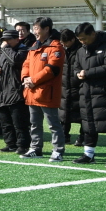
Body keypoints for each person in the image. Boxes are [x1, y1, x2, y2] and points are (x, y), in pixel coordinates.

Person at [72, 22, 106, 166]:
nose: (82, 42)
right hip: (86, 93)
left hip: (105, 93)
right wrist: (78, 75)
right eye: (80, 40)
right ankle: (88, 154)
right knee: (88, 125)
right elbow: (76, 68)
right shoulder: (81, 51)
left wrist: (87, 73)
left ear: (93, 34)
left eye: (84, 39)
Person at [21, 17, 67, 160]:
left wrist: (33, 80)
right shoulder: (34, 45)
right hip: (31, 91)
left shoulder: (56, 47)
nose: (35, 32)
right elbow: (26, 64)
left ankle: (58, 150)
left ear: (46, 29)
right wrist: (25, 78)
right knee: (34, 124)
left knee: (53, 124)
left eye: (37, 28)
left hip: (47, 93)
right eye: (34, 28)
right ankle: (35, 148)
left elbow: (51, 69)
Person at [0, 31, 28, 155]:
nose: (5, 42)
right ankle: (10, 143)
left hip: (15, 91)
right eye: (4, 40)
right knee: (5, 121)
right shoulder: (4, 51)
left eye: (8, 40)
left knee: (19, 122)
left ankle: (22, 145)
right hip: (2, 91)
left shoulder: (23, 51)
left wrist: (5, 49)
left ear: (17, 39)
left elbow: (15, 61)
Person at [58, 28, 83, 150]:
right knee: (64, 113)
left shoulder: (81, 49)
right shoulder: (62, 50)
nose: (63, 45)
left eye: (65, 42)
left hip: (78, 85)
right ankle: (64, 135)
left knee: (82, 114)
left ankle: (83, 137)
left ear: (73, 39)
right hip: (64, 85)